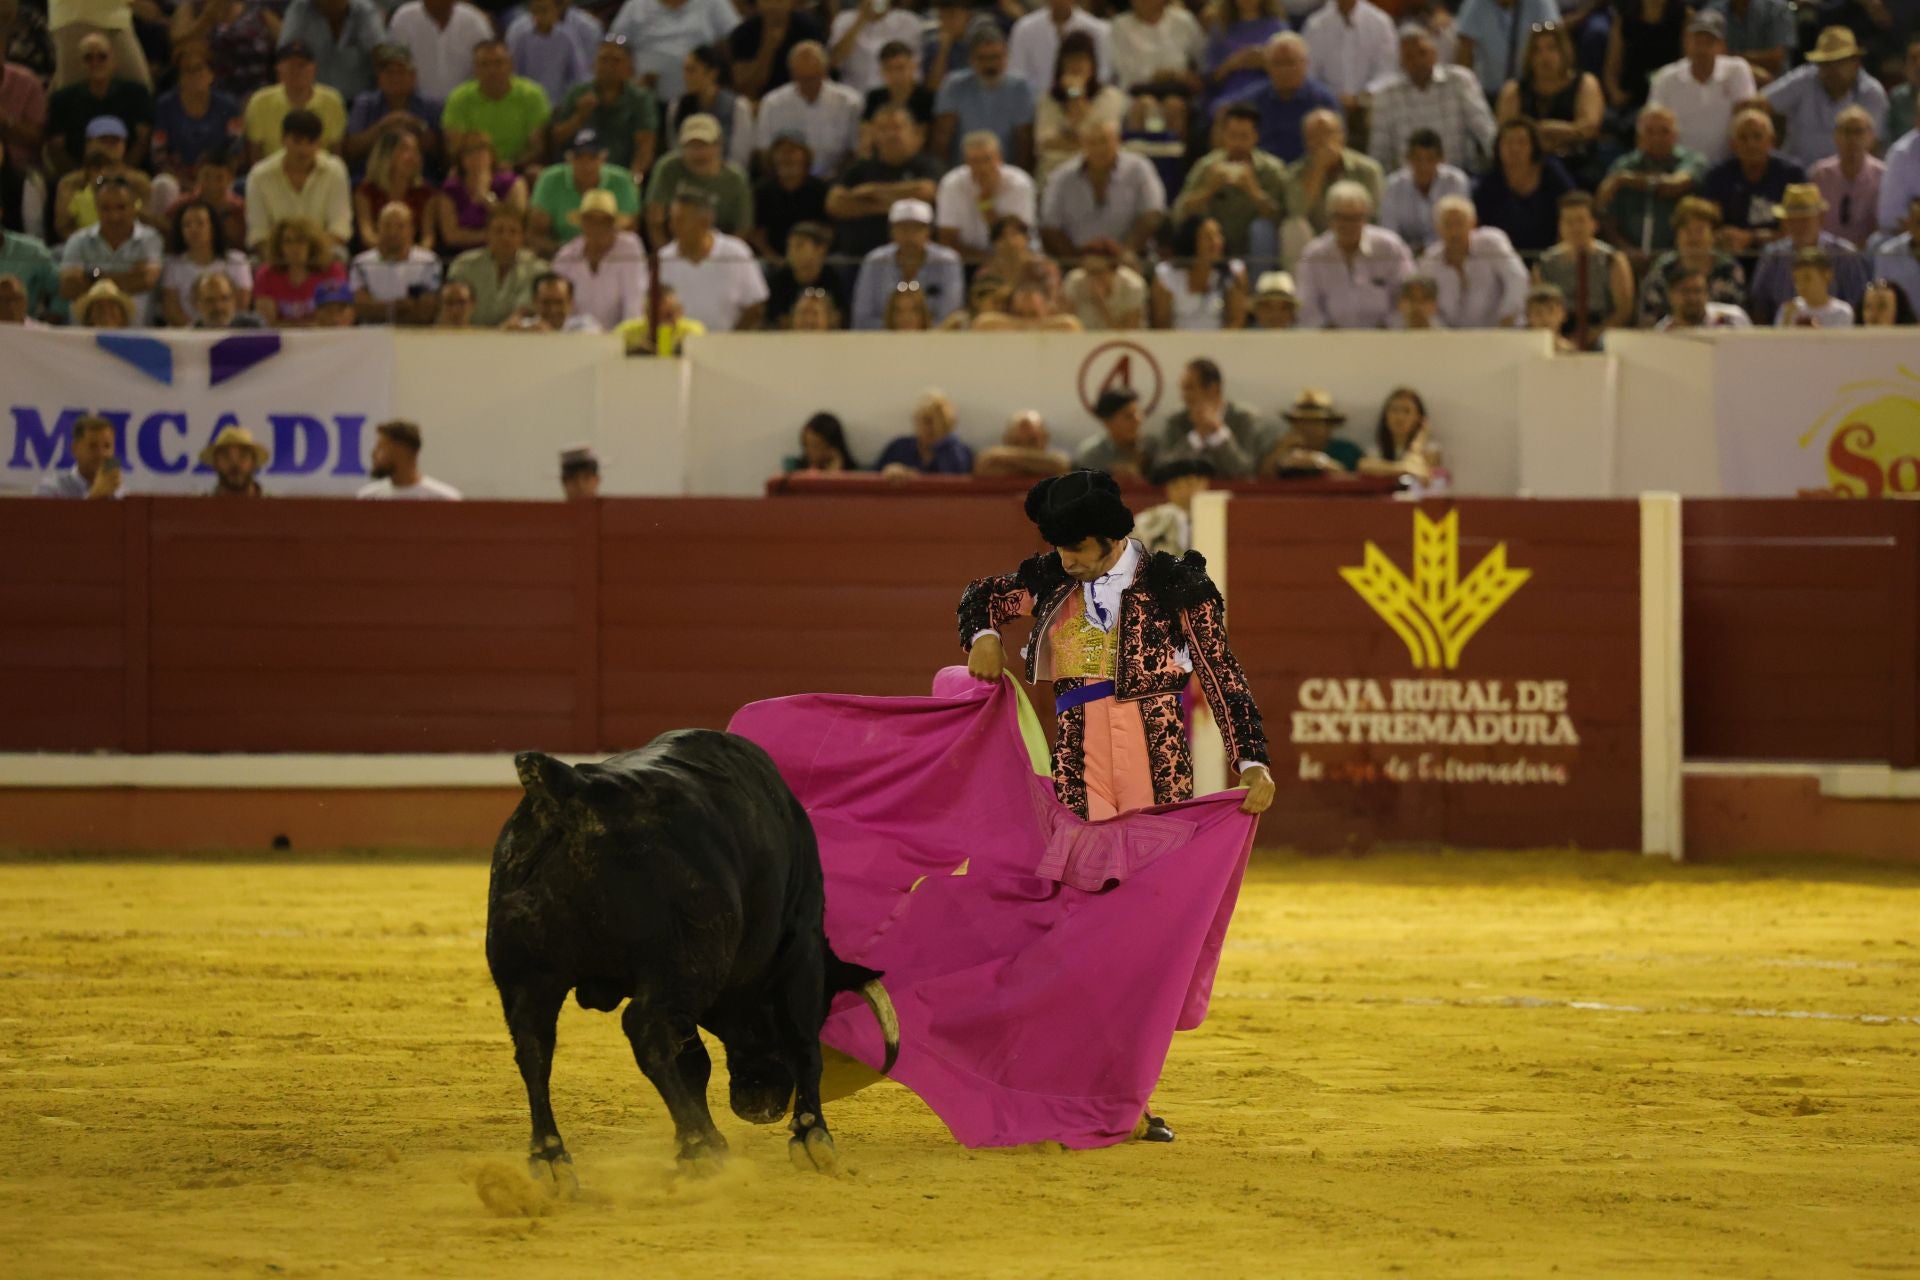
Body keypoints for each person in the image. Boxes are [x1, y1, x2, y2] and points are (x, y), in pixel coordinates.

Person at [956, 470, 1274, 831]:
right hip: (1078, 755)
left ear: (1111, 538)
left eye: (1077, 548)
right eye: (1059, 549)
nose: (1066, 561)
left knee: (1154, 870)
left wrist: (1251, 762)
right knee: (1087, 868)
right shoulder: (1052, 581)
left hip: (1157, 755)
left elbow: (1221, 673)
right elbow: (983, 596)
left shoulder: (1174, 584)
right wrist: (984, 636)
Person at [1369, 24, 1496, 177]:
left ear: (1434, 53)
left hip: (1460, 176)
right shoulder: (1387, 94)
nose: (1417, 61)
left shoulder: (1460, 81)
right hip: (1410, 184)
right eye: (1409, 56)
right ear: (1401, 62)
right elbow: (1379, 152)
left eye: (1422, 53)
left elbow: (1484, 129)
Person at [1763, 27, 1889, 169]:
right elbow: (1757, 105)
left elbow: (1874, 146)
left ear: (1856, 62)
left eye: (1839, 62)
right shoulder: (1804, 79)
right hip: (1798, 178)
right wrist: (1770, 141)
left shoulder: (1871, 93)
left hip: (1846, 178)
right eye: (1825, 63)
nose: (1832, 70)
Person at [1172, 102, 1286, 260]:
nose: (1238, 143)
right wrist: (1208, 190)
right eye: (1233, 136)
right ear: (1224, 135)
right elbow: (1180, 213)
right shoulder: (1207, 166)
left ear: (1255, 137)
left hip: (1253, 244)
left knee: (1262, 229)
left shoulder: (1271, 170)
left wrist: (1253, 191)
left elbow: (1281, 217)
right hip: (1216, 240)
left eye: (1244, 137)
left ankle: (1256, 283)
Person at [1296, 179, 1414, 329]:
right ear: (1329, 218)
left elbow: (1408, 296)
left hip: (1386, 339)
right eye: (1341, 218)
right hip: (1329, 343)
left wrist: (1388, 328)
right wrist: (1331, 335)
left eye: (1355, 218)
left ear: (1366, 218)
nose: (1348, 225)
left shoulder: (1390, 247)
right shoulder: (1314, 254)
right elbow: (1306, 306)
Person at [828, 103, 941, 258]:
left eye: (897, 127)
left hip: (915, 259)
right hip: (858, 257)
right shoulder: (859, 169)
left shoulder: (927, 165)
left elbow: (925, 192)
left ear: (914, 131)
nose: (890, 134)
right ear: (873, 134)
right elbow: (835, 203)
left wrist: (871, 192)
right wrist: (898, 206)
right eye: (883, 129)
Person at [1747, 182, 1871, 321]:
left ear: (1821, 217)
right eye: (1793, 220)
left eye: (1805, 219)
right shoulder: (1773, 255)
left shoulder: (1844, 254)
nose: (1799, 225)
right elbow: (1758, 304)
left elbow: (1860, 302)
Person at [1645, 10, 1753, 168]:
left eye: (1709, 42)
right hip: (1678, 168)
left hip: (1728, 169)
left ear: (1721, 45)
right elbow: (1651, 125)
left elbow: (1746, 119)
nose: (1702, 49)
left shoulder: (1737, 70)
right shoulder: (1666, 77)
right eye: (1697, 41)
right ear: (1686, 42)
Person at [1493, 20, 1600, 175]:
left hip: (1576, 163)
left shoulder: (1585, 83)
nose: (1545, 56)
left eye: (1551, 48)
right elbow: (1505, 132)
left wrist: (1546, 129)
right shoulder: (1514, 90)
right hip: (1526, 166)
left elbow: (1589, 128)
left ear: (1564, 51)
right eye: (1537, 50)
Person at [655, 183, 765, 332]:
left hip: (729, 347)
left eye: (681, 220)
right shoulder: (662, 260)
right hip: (677, 347)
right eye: (672, 220)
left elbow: (755, 307)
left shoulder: (736, 253)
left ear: (705, 222)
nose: (674, 226)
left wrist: (732, 341)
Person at [1596, 104, 1704, 254]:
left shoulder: (1692, 161)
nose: (1657, 138)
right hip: (1630, 257)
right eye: (1649, 131)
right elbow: (1606, 216)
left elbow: (1674, 186)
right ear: (1638, 136)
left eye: (1664, 131)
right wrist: (1627, 252)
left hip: (1680, 257)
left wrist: (1625, 180)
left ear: (1676, 134)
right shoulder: (1623, 165)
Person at [243, 107, 351, 252]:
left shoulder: (335, 170)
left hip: (324, 255)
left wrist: (308, 255)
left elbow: (340, 228)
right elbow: (258, 234)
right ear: (283, 140)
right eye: (297, 141)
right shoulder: (259, 175)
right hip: (274, 257)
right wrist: (288, 258)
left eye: (311, 142)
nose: (303, 149)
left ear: (319, 142)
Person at [1534, 191, 1634, 348]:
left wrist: (1594, 335)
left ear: (1594, 224)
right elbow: (1537, 305)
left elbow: (1624, 309)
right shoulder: (1545, 263)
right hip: (1558, 331)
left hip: (1602, 331)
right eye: (1568, 221)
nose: (1575, 227)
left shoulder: (1612, 260)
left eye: (1581, 220)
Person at [930, 21, 1035, 169]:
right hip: (962, 171)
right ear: (971, 60)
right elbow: (942, 137)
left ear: (1006, 55)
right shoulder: (954, 85)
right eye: (983, 58)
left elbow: (1024, 141)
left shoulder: (1019, 87)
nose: (990, 65)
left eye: (996, 57)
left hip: (1006, 172)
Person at [58, 175, 161, 324]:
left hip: (138, 337)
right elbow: (68, 287)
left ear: (134, 206)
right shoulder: (78, 240)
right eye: (105, 208)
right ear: (96, 207)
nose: (114, 216)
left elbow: (146, 280)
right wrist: (128, 277)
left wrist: (92, 276)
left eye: (121, 207)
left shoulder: (150, 239)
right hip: (82, 338)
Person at [45, 30, 151, 173]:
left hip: (129, 176)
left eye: (102, 57)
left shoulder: (137, 94)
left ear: (113, 60)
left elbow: (142, 142)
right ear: (80, 63)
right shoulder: (62, 100)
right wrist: (85, 179)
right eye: (88, 58)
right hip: (78, 180)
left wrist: (118, 174)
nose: (95, 63)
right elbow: (56, 149)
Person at [851, 196, 965, 329]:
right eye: (903, 228)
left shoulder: (947, 261)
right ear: (892, 231)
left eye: (916, 228)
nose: (909, 236)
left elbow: (951, 316)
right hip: (882, 342)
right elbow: (861, 319)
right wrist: (897, 331)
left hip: (936, 342)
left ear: (929, 231)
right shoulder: (875, 261)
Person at [1700, 108, 1804, 251]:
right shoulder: (1717, 176)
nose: (1751, 144)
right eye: (1743, 137)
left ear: (1772, 141)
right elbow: (1706, 225)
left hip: (1781, 257)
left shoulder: (1792, 174)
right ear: (1733, 144)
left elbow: (1799, 230)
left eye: (1757, 136)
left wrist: (1751, 238)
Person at [551, 35, 659, 173]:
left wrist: (633, 178)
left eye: (616, 61)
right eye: (603, 60)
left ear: (629, 67)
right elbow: (556, 139)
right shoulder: (577, 93)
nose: (609, 66)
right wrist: (579, 117)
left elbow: (645, 146)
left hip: (622, 172)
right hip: (578, 171)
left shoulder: (640, 99)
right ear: (593, 64)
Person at [754, 41, 862, 179]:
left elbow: (854, 151)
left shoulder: (850, 102)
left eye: (813, 78)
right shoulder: (772, 104)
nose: (808, 84)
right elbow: (764, 152)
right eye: (802, 79)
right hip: (787, 182)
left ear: (824, 71)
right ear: (792, 74)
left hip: (837, 180)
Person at [1033, 30, 1127, 186]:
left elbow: (1105, 142)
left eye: (1081, 60)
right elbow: (1044, 143)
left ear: (1092, 65)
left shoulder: (1110, 96)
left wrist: (1076, 95)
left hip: (1099, 171)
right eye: (1070, 60)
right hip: (1055, 171)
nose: (1075, 66)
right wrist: (1073, 95)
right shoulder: (1048, 99)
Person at [441, 39, 551, 171]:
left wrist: (511, 166)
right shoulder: (459, 98)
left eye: (498, 63)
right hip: (473, 169)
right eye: (484, 65)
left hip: (518, 168)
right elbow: (455, 149)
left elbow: (537, 148)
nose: (492, 70)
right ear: (475, 69)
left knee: (535, 173)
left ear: (511, 66)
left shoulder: (532, 94)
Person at [643, 112, 753, 244]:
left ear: (719, 146)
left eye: (704, 145)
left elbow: (742, 229)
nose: (698, 153)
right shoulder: (668, 168)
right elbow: (655, 218)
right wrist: (665, 256)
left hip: (720, 249)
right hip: (674, 247)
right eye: (691, 146)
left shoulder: (736, 179)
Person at [606, 0, 741, 106]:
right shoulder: (636, 6)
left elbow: (735, 41)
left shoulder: (713, 3)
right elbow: (615, 46)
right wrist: (632, 82)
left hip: (703, 103)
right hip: (650, 103)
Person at [1637, 195, 1747, 325]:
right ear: (1676, 235)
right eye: (1687, 230)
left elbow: (1737, 317)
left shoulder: (1729, 269)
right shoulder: (1662, 269)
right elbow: (1648, 319)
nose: (1693, 237)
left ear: (1713, 235)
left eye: (1700, 230)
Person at [1419, 194, 1526, 326]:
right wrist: (1443, 334)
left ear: (1473, 223)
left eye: (1459, 223)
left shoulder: (1491, 242)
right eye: (1448, 224)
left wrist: (1508, 316)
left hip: (1500, 330)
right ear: (1438, 228)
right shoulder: (1429, 261)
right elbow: (1426, 305)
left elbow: (1517, 279)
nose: (1454, 231)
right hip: (1450, 339)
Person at [1473, 115, 1575, 253]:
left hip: (1551, 254)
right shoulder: (1489, 181)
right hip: (1503, 257)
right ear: (1498, 147)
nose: (1514, 148)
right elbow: (1479, 226)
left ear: (1533, 146)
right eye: (1508, 142)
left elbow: (1571, 208)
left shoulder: (1551, 172)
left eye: (1521, 142)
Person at [530, 128, 640, 254]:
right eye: (579, 157)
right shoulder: (550, 179)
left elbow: (629, 232)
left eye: (593, 157)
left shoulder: (622, 181)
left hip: (611, 255)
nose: (586, 165)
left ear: (603, 157)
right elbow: (535, 234)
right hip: (560, 254)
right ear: (568, 158)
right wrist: (569, 255)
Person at [551, 187, 647, 330]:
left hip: (620, 337)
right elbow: (559, 306)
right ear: (582, 224)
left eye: (604, 221)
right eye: (591, 220)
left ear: (614, 224)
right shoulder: (566, 257)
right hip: (576, 339)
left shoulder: (630, 248)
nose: (597, 227)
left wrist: (627, 337)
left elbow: (634, 302)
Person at [1283, 107, 1382, 238]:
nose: (1322, 141)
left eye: (1327, 133)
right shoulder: (1295, 172)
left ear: (1342, 136)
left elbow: (1376, 213)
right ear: (1306, 142)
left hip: (1359, 236)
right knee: (1294, 227)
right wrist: (1318, 170)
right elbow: (1297, 212)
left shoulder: (1368, 169)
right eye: (1314, 135)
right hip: (1315, 240)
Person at [936, 131, 1037, 261]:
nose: (982, 168)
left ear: (999, 158)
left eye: (987, 159)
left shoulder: (1019, 183)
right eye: (975, 161)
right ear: (965, 162)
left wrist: (985, 202)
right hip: (966, 261)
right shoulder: (951, 184)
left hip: (1014, 261)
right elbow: (947, 239)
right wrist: (985, 262)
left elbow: (1014, 240)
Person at [1111, 0, 1205, 137]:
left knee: (1174, 105)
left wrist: (1191, 78)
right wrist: (1161, 75)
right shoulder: (1120, 25)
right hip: (1137, 92)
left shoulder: (1184, 21)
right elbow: (1125, 73)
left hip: (1178, 91)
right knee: (1146, 105)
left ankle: (1174, 156)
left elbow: (1202, 58)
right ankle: (1140, 155)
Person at [152, 45, 244, 185]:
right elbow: (159, 152)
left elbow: (236, 150)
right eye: (187, 70)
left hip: (220, 179)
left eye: (199, 68)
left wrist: (218, 179)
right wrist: (182, 181)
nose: (194, 75)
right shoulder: (165, 106)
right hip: (178, 179)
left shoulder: (229, 106)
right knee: (162, 184)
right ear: (179, 77)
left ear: (211, 73)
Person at [445, 202, 548, 327]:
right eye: (499, 231)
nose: (505, 237)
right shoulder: (463, 266)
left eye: (513, 231)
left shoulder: (538, 270)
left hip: (516, 338)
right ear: (487, 234)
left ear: (522, 237)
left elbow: (531, 311)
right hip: (470, 336)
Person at [1155, 357, 1261, 477]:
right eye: (1182, 389)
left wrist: (1219, 433)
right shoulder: (1175, 420)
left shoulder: (1243, 418)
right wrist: (1196, 437)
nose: (1183, 396)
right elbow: (1162, 468)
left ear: (1213, 389)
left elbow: (1245, 470)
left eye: (1190, 388)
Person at [242, 39, 348, 160]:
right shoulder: (260, 101)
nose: (297, 71)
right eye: (290, 65)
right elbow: (255, 153)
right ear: (279, 70)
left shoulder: (332, 100)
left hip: (320, 173)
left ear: (314, 69)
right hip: (271, 174)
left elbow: (336, 152)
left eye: (302, 65)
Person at [50, 115, 151, 240]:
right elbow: (64, 226)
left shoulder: (139, 181)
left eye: (114, 141)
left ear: (124, 145)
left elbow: (147, 222)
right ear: (88, 144)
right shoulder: (69, 182)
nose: (108, 146)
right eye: (103, 140)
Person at [345, 43, 440, 171]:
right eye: (389, 72)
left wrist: (416, 125)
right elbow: (351, 150)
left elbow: (440, 153)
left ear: (413, 76)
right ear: (379, 78)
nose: (395, 78)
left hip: (422, 179)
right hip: (371, 178)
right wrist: (383, 127)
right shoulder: (365, 104)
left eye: (401, 72)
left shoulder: (431, 105)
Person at [1247, 33, 1338, 165]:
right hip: (1264, 173)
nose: (1285, 70)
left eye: (1290, 62)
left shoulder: (1323, 101)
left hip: (1310, 170)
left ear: (1305, 63)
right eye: (1278, 63)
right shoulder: (1253, 100)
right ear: (1267, 66)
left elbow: (1335, 145)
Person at [161, 198, 252, 326]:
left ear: (213, 227)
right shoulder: (172, 264)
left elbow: (241, 305)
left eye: (200, 223)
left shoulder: (237, 261)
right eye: (187, 225)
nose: (193, 229)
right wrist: (198, 332)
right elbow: (172, 310)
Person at [1379, 127, 1470, 252]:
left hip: (1447, 253)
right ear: (1407, 158)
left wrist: (1429, 250)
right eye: (1417, 159)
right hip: (1403, 256)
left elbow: (1459, 226)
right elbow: (1389, 233)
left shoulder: (1455, 182)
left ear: (1442, 158)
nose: (1423, 166)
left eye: (1430, 159)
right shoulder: (1393, 185)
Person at [169, 0, 282, 101]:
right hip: (211, 96)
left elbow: (286, 46)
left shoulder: (259, 10)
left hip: (259, 94)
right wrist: (208, 17)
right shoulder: (191, 8)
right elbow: (180, 46)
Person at [351, 199, 441, 323]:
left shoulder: (429, 261)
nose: (393, 232)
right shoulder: (361, 263)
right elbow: (362, 309)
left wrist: (381, 308)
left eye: (400, 226)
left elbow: (426, 311)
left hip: (416, 334)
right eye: (387, 225)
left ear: (411, 229)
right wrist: (398, 308)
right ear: (378, 227)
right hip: (372, 335)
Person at [1152, 214, 1248, 330]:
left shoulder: (1233, 272)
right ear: (1191, 241)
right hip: (1177, 345)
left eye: (1218, 235)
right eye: (1208, 237)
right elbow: (1162, 324)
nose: (1216, 242)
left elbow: (1236, 321)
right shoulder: (1166, 275)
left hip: (1221, 345)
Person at [435, 133, 529, 252]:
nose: (477, 156)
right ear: (461, 158)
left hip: (506, 251)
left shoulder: (513, 183)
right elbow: (451, 236)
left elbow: (515, 225)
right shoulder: (451, 189)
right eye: (470, 151)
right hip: (461, 255)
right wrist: (492, 237)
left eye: (482, 149)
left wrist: (486, 199)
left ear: (492, 154)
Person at [280, 0, 388, 102]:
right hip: (312, 100)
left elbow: (381, 53)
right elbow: (286, 52)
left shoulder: (364, 11)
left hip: (359, 101)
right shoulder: (300, 9)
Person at [386, 0, 493, 103]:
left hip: (465, 107)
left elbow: (489, 69)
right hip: (416, 107)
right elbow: (393, 71)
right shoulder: (402, 19)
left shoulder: (475, 22)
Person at [1301, 0, 1397, 112]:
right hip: (1327, 108)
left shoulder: (1380, 22)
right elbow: (1308, 73)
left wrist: (1365, 95)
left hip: (1372, 108)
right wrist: (1332, 97)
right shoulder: (1314, 26)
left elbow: (1388, 70)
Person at [1808, 106, 1882, 251]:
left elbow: (1882, 226)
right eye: (1847, 132)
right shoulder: (1820, 174)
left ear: (1871, 137)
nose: (1852, 139)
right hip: (1825, 254)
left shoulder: (1882, 175)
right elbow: (1812, 221)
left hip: (1866, 255)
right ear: (1836, 137)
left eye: (1859, 132)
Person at [252, 213, 347, 325]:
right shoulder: (266, 275)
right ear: (279, 246)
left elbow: (338, 319)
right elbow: (267, 323)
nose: (294, 248)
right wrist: (307, 326)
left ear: (312, 244)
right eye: (288, 241)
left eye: (300, 241)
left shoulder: (332, 271)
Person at [671, 44, 753, 171]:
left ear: (712, 73)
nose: (685, 77)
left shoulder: (738, 107)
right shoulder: (677, 106)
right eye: (685, 70)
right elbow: (675, 148)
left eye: (692, 70)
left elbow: (740, 158)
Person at [1009, 0, 1113, 96]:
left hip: (1088, 100)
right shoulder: (1023, 29)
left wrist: (1075, 94)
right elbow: (1017, 74)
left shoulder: (1099, 30)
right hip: (1036, 105)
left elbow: (1103, 75)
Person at [355, 127, 436, 250]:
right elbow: (367, 235)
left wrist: (409, 256)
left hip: (414, 258)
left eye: (416, 150)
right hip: (377, 257)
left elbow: (428, 238)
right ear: (386, 154)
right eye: (405, 149)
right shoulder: (365, 192)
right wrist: (392, 252)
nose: (413, 156)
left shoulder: (425, 193)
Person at [750, 131, 828, 257]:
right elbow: (757, 234)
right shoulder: (762, 190)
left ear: (805, 156)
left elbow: (827, 230)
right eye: (781, 151)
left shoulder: (819, 189)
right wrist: (774, 259)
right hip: (772, 258)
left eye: (792, 151)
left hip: (812, 257)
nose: (787, 157)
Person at [1203, 0, 1286, 114]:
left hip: (1268, 93)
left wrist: (1265, 62)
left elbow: (1290, 70)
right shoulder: (1221, 28)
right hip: (1231, 93)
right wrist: (1233, 63)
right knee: (1223, 111)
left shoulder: (1278, 27)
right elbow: (1210, 79)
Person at [830, 1, 926, 99]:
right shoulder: (843, 20)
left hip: (893, 97)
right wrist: (861, 19)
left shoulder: (909, 21)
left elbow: (914, 70)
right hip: (854, 97)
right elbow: (834, 61)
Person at [1604, 0, 1685, 115]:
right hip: (1630, 98)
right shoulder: (1624, 15)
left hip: (1669, 100)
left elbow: (1687, 66)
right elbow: (1612, 65)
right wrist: (1615, 92)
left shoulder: (1684, 15)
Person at [1257, 387, 1363, 475]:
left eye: (1315, 423)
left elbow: (1359, 479)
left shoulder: (1347, 451)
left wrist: (1323, 464)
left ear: (1329, 427)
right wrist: (1280, 450)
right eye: (1302, 422)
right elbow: (1264, 477)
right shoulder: (1282, 448)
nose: (1308, 429)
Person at [761, 219, 846, 328]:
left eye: (799, 246)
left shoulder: (834, 278)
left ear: (821, 249)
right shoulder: (779, 281)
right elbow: (775, 319)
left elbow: (839, 317)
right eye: (789, 246)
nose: (791, 252)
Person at [508, 0, 588, 108]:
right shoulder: (521, 38)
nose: (541, 15)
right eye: (536, 11)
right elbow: (513, 72)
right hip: (527, 102)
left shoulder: (567, 37)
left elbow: (578, 73)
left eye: (545, 10)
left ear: (556, 11)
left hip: (559, 102)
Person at [358, 419, 462, 499]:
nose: (373, 454)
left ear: (401, 451)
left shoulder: (443, 499)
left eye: (381, 447)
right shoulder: (368, 498)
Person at [876, 388, 972, 475]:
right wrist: (890, 472)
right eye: (927, 420)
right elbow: (873, 477)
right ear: (916, 419)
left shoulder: (958, 452)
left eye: (940, 423)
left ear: (949, 427)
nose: (933, 428)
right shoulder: (899, 448)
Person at [1060, 237, 1147, 330]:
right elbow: (1066, 325)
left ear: (1114, 270)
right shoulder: (1075, 281)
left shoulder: (1132, 286)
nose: (1092, 277)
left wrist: (1100, 304)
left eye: (1097, 271)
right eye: (1088, 271)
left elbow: (1130, 332)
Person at [1357, 386, 1440, 482]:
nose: (1399, 417)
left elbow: (1420, 471)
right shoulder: (1375, 449)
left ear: (1419, 418)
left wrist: (1420, 440)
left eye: (1407, 411)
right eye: (1394, 410)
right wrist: (1404, 468)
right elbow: (1364, 466)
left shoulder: (1431, 450)